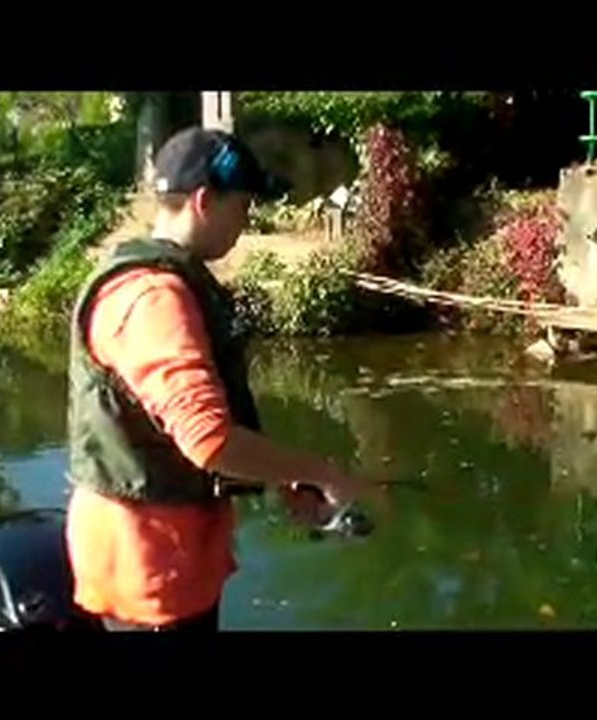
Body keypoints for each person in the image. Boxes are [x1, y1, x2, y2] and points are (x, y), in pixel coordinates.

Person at [64, 126, 378, 632]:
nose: (248, 221)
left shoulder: (167, 279)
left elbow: (192, 429)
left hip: (167, 560)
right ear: (206, 201)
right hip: (148, 571)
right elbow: (207, 440)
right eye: (244, 206)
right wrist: (323, 472)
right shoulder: (152, 298)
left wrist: (282, 477)